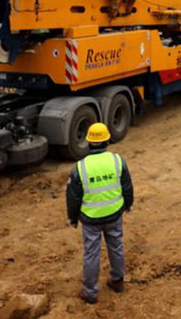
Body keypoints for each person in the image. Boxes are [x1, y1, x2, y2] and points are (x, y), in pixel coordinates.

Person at [66, 122, 134, 305]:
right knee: (116, 246)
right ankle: (118, 281)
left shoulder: (80, 168)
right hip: (114, 214)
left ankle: (90, 292)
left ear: (89, 143)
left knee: (91, 253)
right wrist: (128, 205)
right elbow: (127, 186)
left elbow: (73, 197)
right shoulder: (117, 160)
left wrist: (72, 218)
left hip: (91, 219)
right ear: (107, 141)